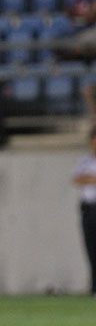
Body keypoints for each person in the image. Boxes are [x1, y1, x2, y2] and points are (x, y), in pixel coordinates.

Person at [72, 125, 96, 298]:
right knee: (90, 247)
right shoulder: (84, 161)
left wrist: (89, 178)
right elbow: (77, 179)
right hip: (88, 208)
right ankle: (94, 286)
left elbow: (84, 178)